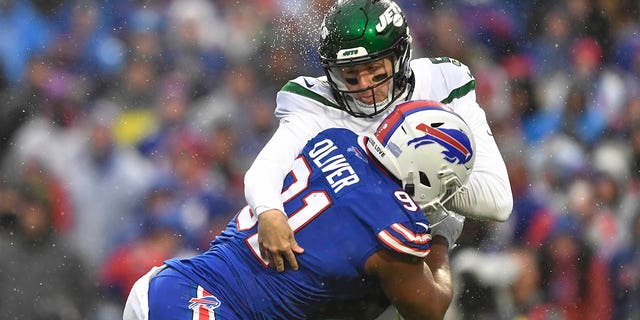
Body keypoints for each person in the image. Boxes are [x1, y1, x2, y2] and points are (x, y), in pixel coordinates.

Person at [124, 101, 474, 320]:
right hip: (211, 307)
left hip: (171, 284)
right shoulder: (393, 226)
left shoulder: (337, 139)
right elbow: (430, 308)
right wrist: (442, 236)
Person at [244, 0, 513, 274]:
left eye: (375, 71)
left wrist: (405, 176)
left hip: (425, 244)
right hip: (347, 252)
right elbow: (266, 168)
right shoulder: (316, 103)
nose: (364, 86)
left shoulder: (444, 82)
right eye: (350, 76)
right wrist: (269, 210)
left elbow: (498, 201)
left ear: (400, 57)